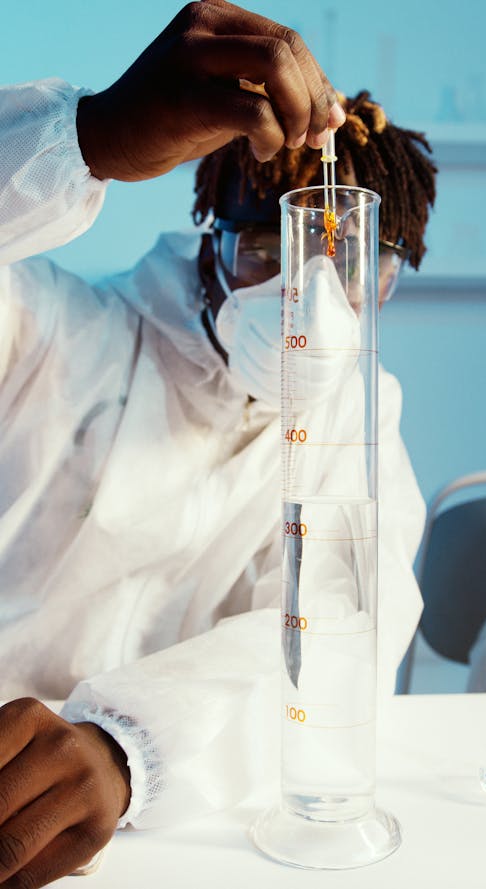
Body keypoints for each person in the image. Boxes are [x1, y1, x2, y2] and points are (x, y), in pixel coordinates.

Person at [0, 35, 434, 889]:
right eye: (265, 253)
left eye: (354, 269)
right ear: (211, 242)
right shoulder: (57, 330)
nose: (312, 304)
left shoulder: (357, 411)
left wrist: (127, 748)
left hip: (148, 843)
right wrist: (84, 137)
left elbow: (347, 629)